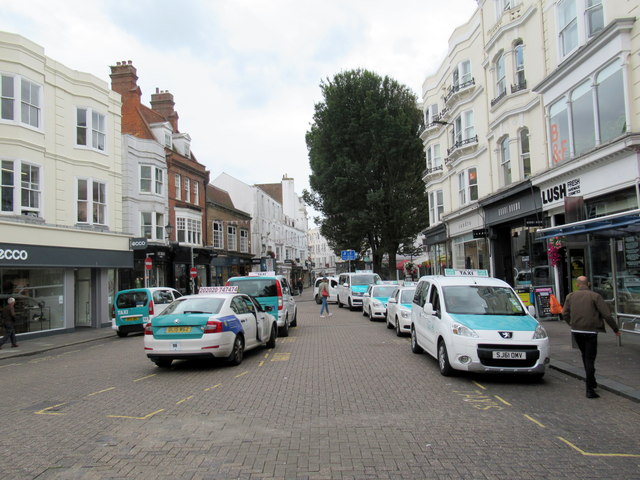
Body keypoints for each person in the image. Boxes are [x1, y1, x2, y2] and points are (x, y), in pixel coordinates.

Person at [562, 276, 620, 399]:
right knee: (590, 358)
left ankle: (592, 381)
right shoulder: (595, 296)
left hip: (576, 331)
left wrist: (572, 324)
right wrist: (615, 329)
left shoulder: (570, 296)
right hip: (591, 332)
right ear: (588, 284)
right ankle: (589, 389)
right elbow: (607, 315)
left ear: (577, 285)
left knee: (585, 355)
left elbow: (564, 313)